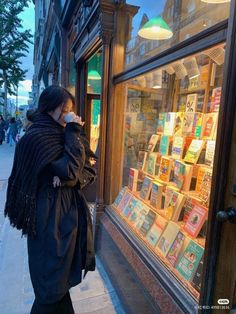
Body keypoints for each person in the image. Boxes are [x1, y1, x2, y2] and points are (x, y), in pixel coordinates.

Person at [4, 85, 97, 314]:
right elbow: (71, 170)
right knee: (50, 287)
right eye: (65, 108)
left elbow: (89, 168)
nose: (69, 113)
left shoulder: (65, 134)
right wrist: (73, 134)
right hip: (49, 219)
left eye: (71, 109)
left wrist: (67, 178)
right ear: (51, 108)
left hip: (66, 215)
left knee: (59, 284)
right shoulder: (37, 137)